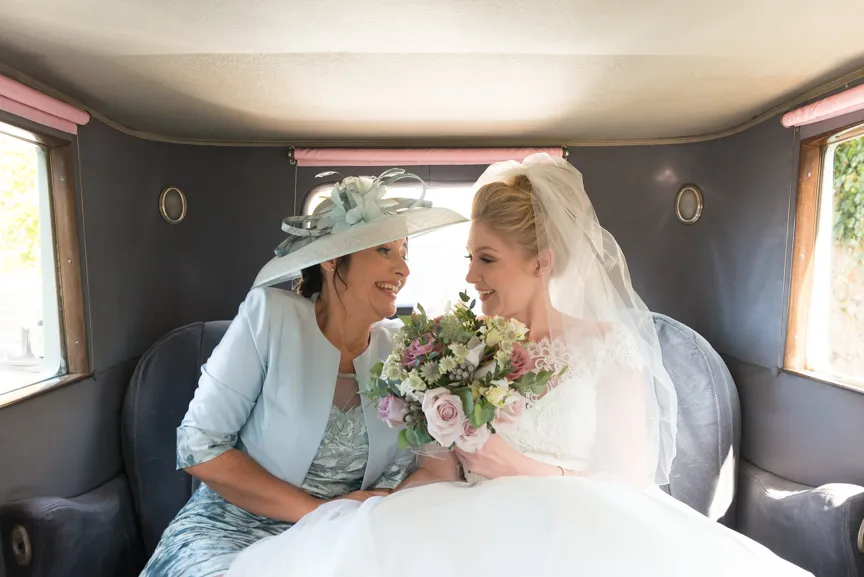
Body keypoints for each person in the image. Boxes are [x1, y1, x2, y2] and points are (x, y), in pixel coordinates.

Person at [224, 155, 812, 577]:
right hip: (461, 519)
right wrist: (369, 507)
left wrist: (520, 468)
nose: (470, 277)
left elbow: (628, 482)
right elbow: (437, 468)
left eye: (486, 259)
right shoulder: (461, 349)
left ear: (541, 262)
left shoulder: (608, 347)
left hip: (583, 525)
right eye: (468, 258)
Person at [139, 169, 466, 577]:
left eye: (404, 252)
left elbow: (428, 465)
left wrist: (377, 511)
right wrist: (321, 513)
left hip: (357, 535)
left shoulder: (407, 349)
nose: (403, 269)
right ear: (332, 258)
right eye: (384, 250)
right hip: (236, 530)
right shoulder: (269, 316)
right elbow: (200, 448)